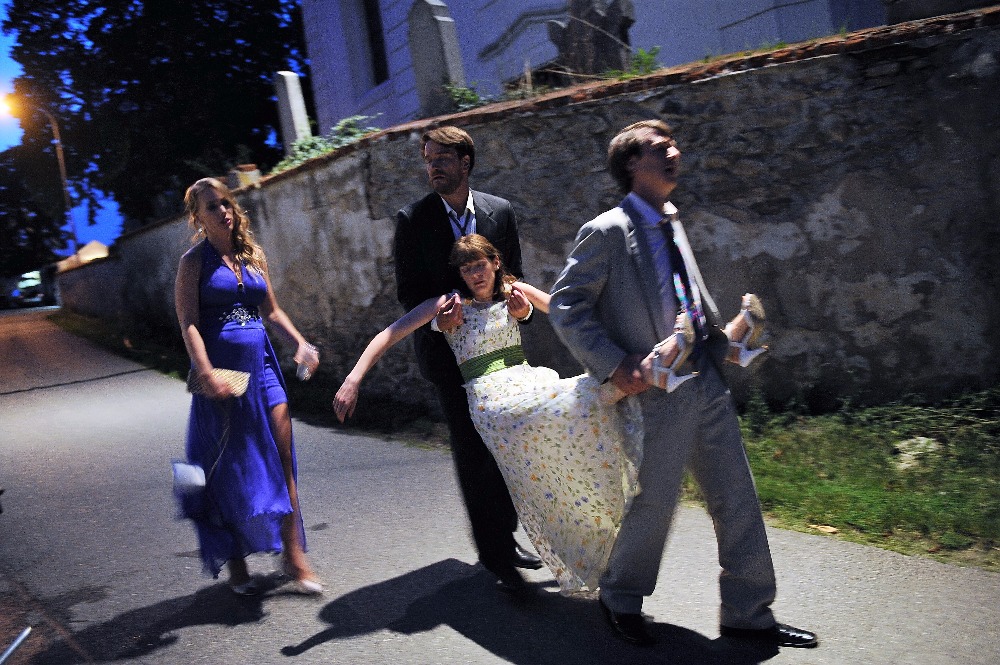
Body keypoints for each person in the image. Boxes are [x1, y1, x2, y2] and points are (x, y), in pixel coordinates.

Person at [548, 120, 818, 648]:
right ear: (632, 163)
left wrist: (726, 339)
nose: (674, 151)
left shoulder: (671, 221)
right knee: (654, 503)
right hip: (656, 391)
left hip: (705, 381)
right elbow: (566, 305)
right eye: (659, 146)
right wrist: (615, 364)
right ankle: (620, 598)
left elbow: (686, 299)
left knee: (737, 497)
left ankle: (748, 612)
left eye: (674, 143)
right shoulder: (608, 230)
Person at [334, 234, 643, 595]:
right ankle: (620, 385)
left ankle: (597, 532)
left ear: (495, 263)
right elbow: (388, 335)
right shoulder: (448, 304)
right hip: (490, 398)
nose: (475, 274)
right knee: (545, 407)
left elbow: (567, 312)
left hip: (525, 381)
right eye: (467, 269)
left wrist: (617, 339)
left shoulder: (515, 291)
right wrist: (353, 379)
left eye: (480, 265)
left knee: (561, 451)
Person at [393, 126, 543, 590]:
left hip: (498, 353)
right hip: (449, 358)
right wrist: (440, 319)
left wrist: (523, 311)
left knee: (508, 445)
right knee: (473, 450)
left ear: (465, 162)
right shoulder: (412, 220)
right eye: (428, 160)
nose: (432, 167)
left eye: (441, 158)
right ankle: (495, 554)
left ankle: (505, 536)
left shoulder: (500, 211)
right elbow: (408, 293)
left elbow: (513, 278)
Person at [174, 177, 322, 596]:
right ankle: (236, 559)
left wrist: (300, 344)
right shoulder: (193, 262)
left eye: (225, 202)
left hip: (263, 366)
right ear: (198, 218)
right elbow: (188, 321)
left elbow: (271, 311)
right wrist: (205, 371)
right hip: (222, 371)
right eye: (211, 206)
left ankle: (294, 556)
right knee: (228, 466)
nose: (223, 211)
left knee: (283, 456)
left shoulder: (252, 254)